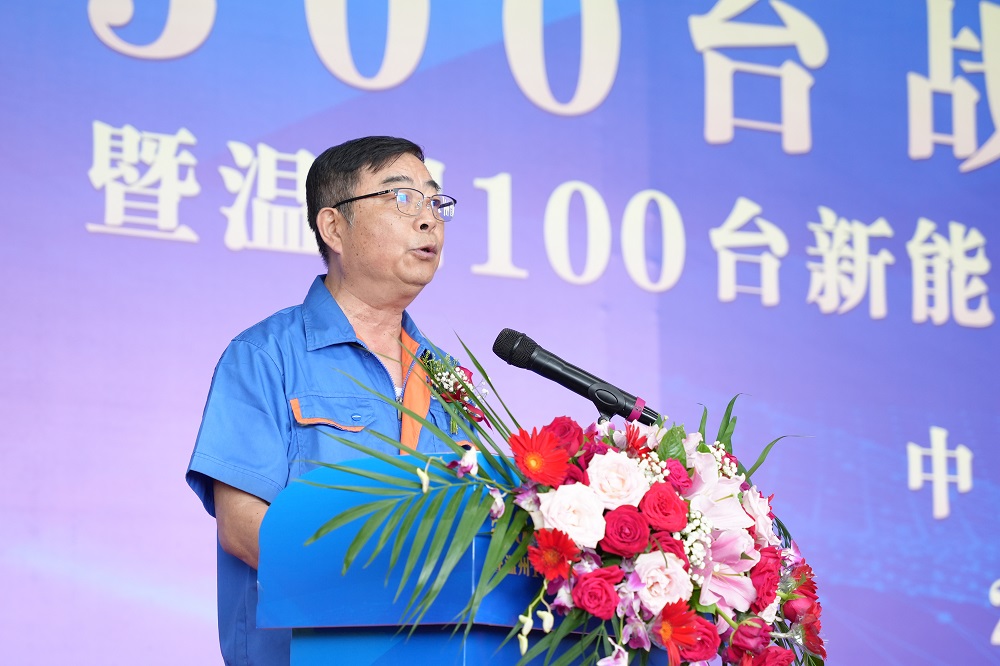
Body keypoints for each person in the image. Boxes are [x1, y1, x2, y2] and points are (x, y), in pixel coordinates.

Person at [186, 136, 466, 665]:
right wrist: (380, 588)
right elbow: (243, 527)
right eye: (402, 198)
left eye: (435, 201)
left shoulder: (446, 376)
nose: (429, 219)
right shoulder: (266, 356)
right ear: (334, 227)